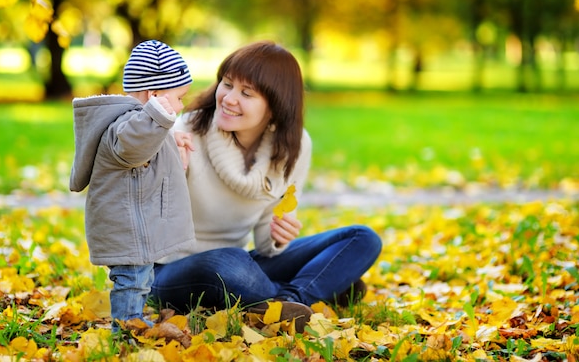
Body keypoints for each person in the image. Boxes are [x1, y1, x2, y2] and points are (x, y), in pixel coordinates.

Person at [150, 40, 382, 332]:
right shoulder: (182, 133)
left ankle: (289, 301)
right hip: (169, 271)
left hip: (243, 264)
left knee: (362, 238)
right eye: (228, 83)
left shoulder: (292, 148)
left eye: (246, 93)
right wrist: (159, 163)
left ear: (275, 106)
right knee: (231, 263)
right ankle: (320, 287)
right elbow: (135, 205)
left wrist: (277, 236)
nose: (229, 98)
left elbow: (264, 242)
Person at [69, 40, 196, 331]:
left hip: (133, 225)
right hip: (126, 227)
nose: (181, 105)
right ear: (154, 96)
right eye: (178, 97)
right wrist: (160, 120)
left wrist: (169, 141)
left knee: (142, 277)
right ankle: (126, 326)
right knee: (133, 280)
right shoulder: (126, 124)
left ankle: (134, 317)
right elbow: (131, 146)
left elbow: (143, 149)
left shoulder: (139, 124)